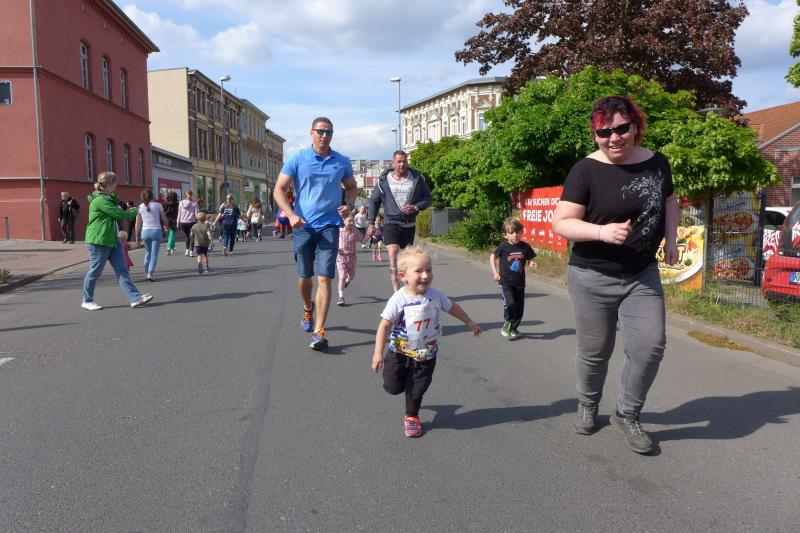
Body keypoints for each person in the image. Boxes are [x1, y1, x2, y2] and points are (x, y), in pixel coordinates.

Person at [552, 95, 679, 455]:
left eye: (621, 128)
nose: (613, 138)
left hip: (642, 274)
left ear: (636, 126)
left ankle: (627, 413)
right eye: (603, 132)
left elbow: (670, 200)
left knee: (650, 347)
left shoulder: (657, 162)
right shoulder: (585, 170)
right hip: (592, 275)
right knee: (595, 352)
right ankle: (588, 402)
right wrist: (601, 232)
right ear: (594, 134)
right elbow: (561, 222)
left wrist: (671, 238)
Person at [371, 246, 481, 437]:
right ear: (403, 276)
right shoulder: (399, 298)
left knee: (417, 389)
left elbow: (452, 307)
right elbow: (384, 326)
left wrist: (468, 321)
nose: (425, 275)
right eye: (419, 271)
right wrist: (378, 353)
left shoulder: (436, 295)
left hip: (426, 354)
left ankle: (412, 416)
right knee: (393, 387)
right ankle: (404, 386)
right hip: (399, 353)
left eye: (428, 270)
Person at [273, 116, 357, 352]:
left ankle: (319, 331)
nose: (325, 136)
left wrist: (349, 205)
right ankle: (307, 307)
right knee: (305, 277)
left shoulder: (341, 161)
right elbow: (279, 189)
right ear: (311, 132)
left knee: (325, 278)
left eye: (329, 132)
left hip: (329, 226)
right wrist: (291, 215)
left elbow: (352, 187)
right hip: (303, 226)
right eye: (320, 131)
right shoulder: (298, 158)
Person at [81, 171, 153, 310]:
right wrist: (134, 211)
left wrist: (114, 198)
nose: (116, 186)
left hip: (112, 239)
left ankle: (135, 298)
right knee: (95, 271)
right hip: (99, 240)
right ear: (109, 184)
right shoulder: (100, 200)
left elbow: (117, 211)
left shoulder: (108, 198)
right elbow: (119, 214)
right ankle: (87, 300)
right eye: (115, 183)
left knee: (122, 269)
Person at [367, 150, 433, 291]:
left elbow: (428, 198)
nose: (402, 164)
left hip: (409, 224)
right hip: (391, 221)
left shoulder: (416, 178)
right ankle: (396, 291)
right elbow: (374, 201)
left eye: (404, 161)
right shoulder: (384, 180)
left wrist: (415, 207)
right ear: (393, 163)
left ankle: (407, 288)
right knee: (393, 253)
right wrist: (371, 223)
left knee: (405, 258)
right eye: (399, 161)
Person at [489, 217, 538, 339]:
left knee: (520, 309)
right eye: (511, 233)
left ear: (521, 232)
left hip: (519, 282)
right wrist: (495, 272)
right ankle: (508, 323)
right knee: (511, 303)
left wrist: (531, 263)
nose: (515, 235)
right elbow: (492, 257)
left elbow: (530, 258)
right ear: (505, 235)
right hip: (505, 281)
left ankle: (514, 328)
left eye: (517, 232)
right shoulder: (503, 247)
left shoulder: (525, 246)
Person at [135, 189, 168, 282]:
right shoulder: (158, 205)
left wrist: (137, 235)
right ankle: (150, 273)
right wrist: (167, 226)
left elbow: (137, 223)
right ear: (152, 196)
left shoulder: (140, 207)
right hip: (156, 231)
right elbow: (164, 218)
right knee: (154, 254)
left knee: (148, 252)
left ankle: (146, 273)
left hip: (145, 232)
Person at [336, 212, 358, 306]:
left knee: (351, 276)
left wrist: (369, 235)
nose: (351, 223)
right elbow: (331, 240)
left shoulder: (355, 231)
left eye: (353, 221)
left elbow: (363, 240)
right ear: (343, 221)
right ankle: (341, 297)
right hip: (340, 257)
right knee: (342, 276)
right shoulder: (338, 230)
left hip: (352, 257)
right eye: (349, 221)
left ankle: (348, 280)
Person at [177, 190, 198, 257]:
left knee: (187, 236)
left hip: (183, 222)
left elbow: (179, 213)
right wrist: (200, 221)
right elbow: (196, 214)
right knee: (192, 237)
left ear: (186, 195)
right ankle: (191, 252)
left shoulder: (181, 203)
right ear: (192, 195)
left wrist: (178, 222)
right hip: (192, 222)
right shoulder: (194, 203)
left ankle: (187, 251)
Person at [163, 191, 179, 255]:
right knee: (172, 234)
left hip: (167, 220)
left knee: (170, 234)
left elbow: (163, 212)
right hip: (174, 220)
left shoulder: (165, 203)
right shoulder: (177, 204)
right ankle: (169, 247)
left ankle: (172, 248)